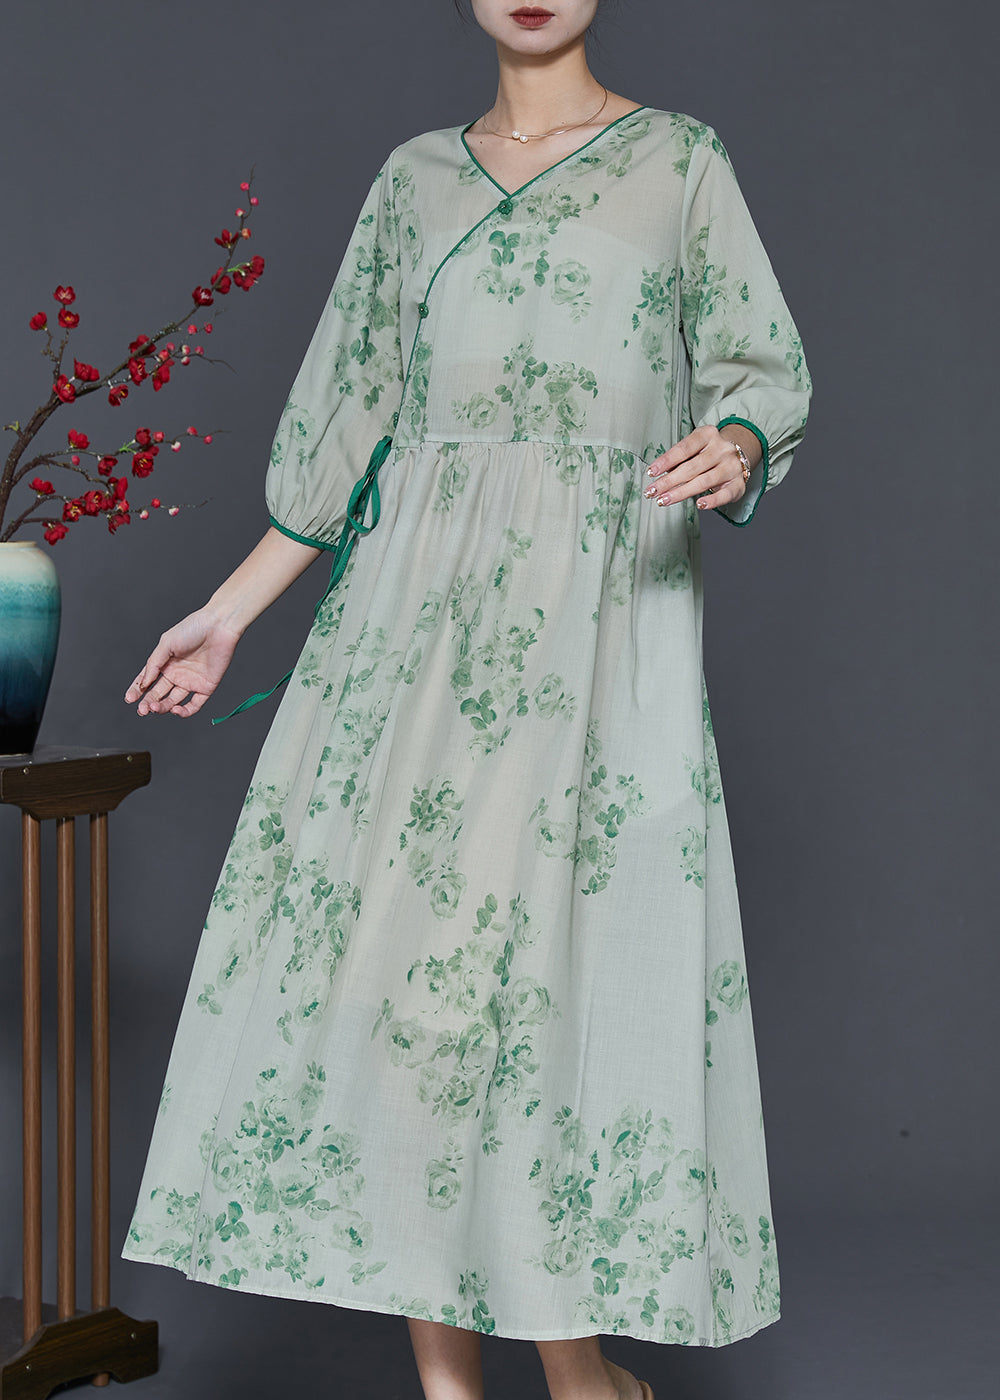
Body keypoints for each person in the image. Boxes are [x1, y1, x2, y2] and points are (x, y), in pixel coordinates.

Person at [120, 2, 811, 1397]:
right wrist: (229, 612)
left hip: (598, 641)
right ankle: (453, 1384)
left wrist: (738, 443)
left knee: (547, 991)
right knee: (405, 994)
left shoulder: (679, 162)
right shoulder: (414, 180)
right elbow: (352, 422)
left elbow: (761, 369)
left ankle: (579, 1373)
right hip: (411, 641)